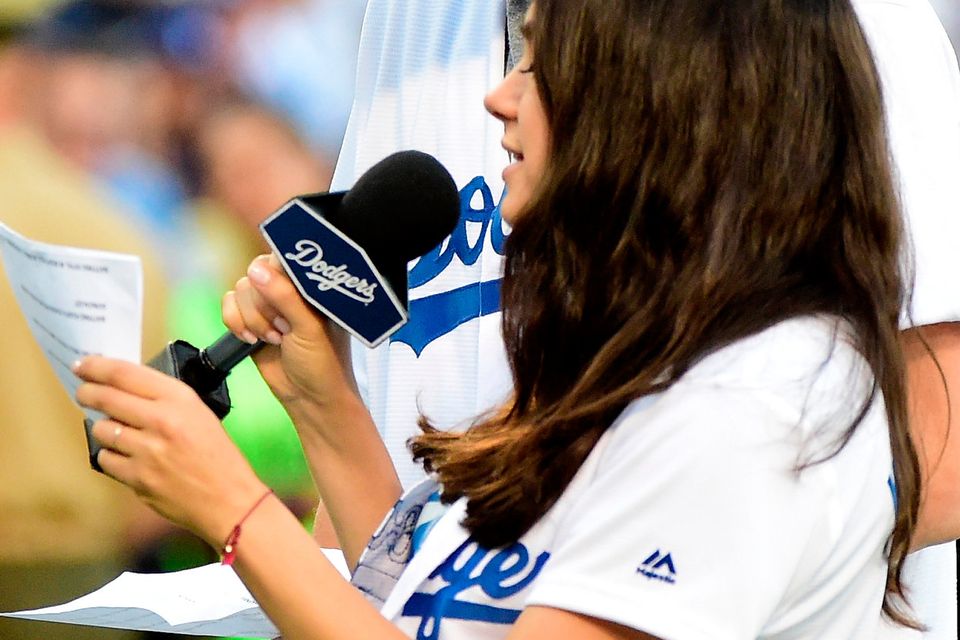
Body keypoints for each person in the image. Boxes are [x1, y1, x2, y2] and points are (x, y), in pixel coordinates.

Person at [73, 1, 926, 637]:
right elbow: (432, 606)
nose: (497, 98)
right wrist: (322, 404)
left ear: (660, 108)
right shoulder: (642, 353)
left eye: (542, 68)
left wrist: (233, 510)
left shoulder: (751, 401)